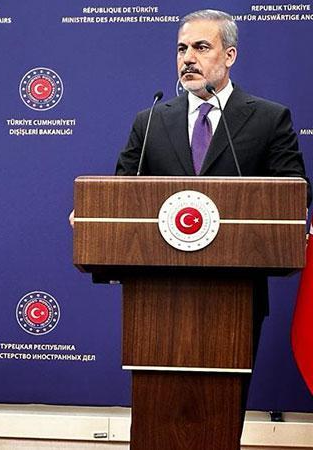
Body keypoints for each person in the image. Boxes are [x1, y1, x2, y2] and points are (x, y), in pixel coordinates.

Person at [115, 8, 310, 434]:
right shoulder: (151, 121)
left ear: (230, 55)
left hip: (235, 291)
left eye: (201, 47)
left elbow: (296, 192)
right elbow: (121, 194)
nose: (188, 58)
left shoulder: (268, 118)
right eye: (181, 49)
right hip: (158, 292)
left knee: (218, 417)